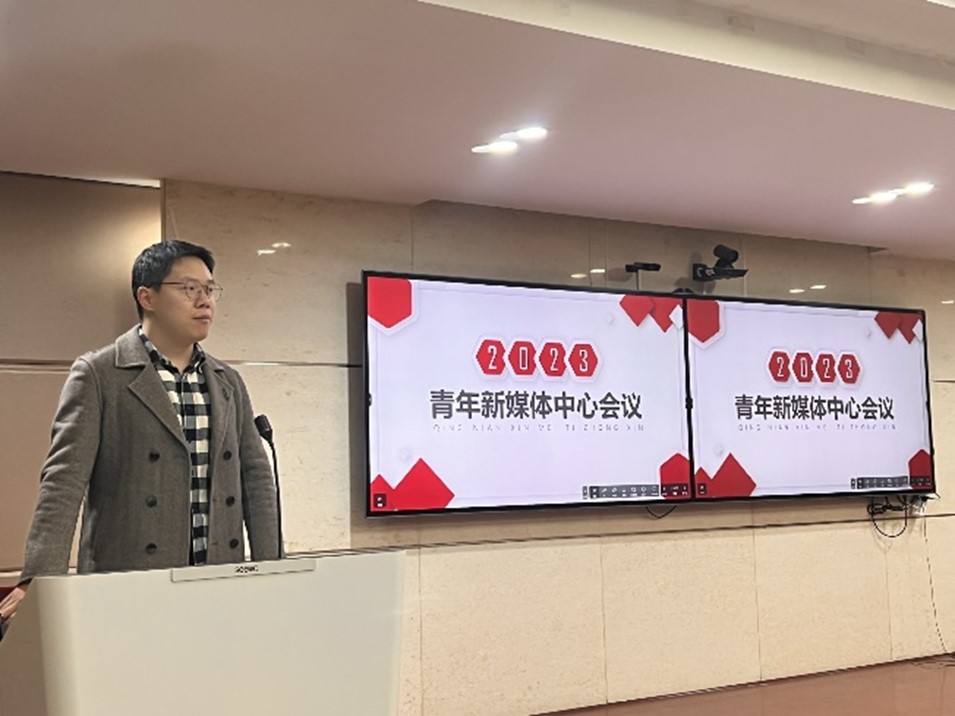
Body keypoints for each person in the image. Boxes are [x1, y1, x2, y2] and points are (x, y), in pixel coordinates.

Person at [0, 240, 279, 625]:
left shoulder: (227, 380)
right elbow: (64, 482)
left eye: (210, 289)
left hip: (219, 580)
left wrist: (274, 570)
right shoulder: (100, 373)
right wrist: (40, 579)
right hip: (129, 584)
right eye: (189, 288)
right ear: (146, 297)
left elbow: (256, 480)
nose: (205, 301)